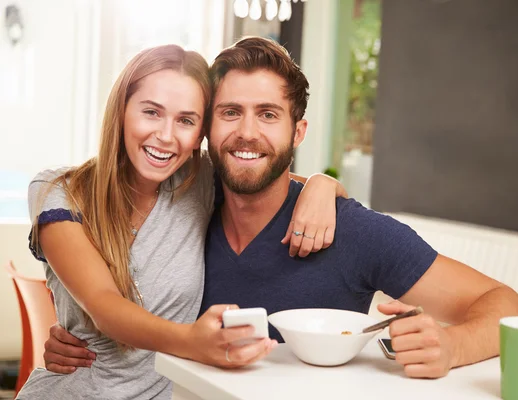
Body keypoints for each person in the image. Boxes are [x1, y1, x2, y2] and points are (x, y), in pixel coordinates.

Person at [44, 37, 518, 381]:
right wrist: (81, 335)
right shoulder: (192, 206)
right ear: (208, 130)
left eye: (269, 115)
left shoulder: (352, 232)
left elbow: (507, 306)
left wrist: (451, 347)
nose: (247, 133)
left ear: (298, 133)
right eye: (230, 112)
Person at [17, 44, 345, 400]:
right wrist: (193, 342)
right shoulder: (58, 192)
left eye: (186, 120)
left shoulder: (199, 182)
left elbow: (270, 179)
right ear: (121, 111)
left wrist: (321, 185)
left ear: (200, 134)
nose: (166, 135)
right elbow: (104, 306)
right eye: (151, 112)